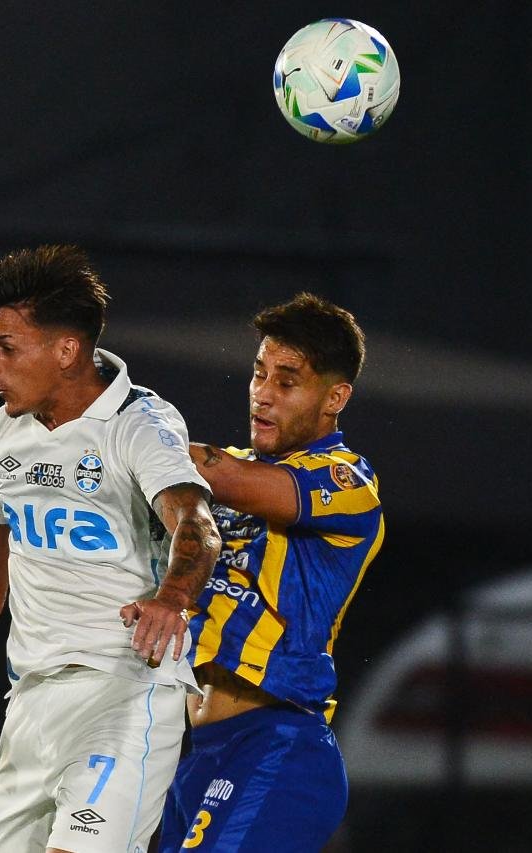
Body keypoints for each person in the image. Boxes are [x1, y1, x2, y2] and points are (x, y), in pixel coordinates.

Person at [0, 245, 222, 853]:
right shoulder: (4, 433)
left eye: (6, 347)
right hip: (31, 701)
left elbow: (196, 522)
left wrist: (172, 598)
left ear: (67, 351)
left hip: (125, 691)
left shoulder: (139, 423)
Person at [158, 293, 384, 852]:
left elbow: (235, 479)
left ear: (335, 397)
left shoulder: (349, 482)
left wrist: (126, 438)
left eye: (287, 381)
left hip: (279, 746)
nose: (262, 393)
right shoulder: (228, 470)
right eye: (259, 373)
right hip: (193, 755)